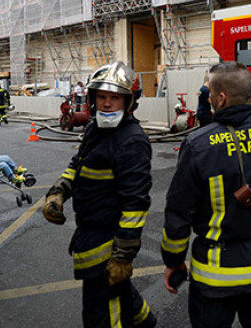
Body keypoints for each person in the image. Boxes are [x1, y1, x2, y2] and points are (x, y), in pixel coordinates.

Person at [162, 61, 251, 327]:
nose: (209, 98)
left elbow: (178, 214)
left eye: (210, 93)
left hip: (214, 277)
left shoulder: (197, 144)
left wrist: (174, 261)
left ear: (221, 99)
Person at [42, 61, 157, 328]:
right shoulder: (95, 127)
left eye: (114, 98)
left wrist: (123, 256)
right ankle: (146, 322)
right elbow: (78, 164)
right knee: (117, 297)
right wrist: (58, 192)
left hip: (108, 241)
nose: (106, 104)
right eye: (102, 97)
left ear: (128, 102)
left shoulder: (132, 141)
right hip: (90, 231)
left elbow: (136, 203)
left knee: (103, 311)